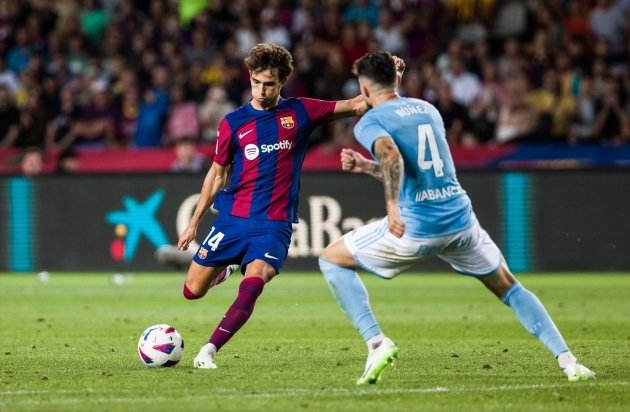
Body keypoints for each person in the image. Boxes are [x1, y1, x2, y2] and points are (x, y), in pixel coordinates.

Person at [318, 51, 595, 385]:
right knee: (510, 287)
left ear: (363, 87)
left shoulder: (370, 122)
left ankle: (376, 342)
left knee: (332, 259)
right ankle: (569, 362)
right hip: (460, 221)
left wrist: (392, 205)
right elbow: (417, 170)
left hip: (416, 226)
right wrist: (367, 168)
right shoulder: (428, 110)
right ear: (397, 79)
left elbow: (391, 154)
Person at [176, 43, 373, 369]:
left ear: (282, 83)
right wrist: (194, 221)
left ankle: (209, 350)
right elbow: (216, 173)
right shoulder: (233, 122)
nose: (262, 90)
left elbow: (356, 105)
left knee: (253, 283)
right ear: (250, 78)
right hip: (232, 219)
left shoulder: (301, 112)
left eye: (269, 84)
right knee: (192, 291)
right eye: (256, 82)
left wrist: (387, 82)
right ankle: (226, 268)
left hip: (275, 224)